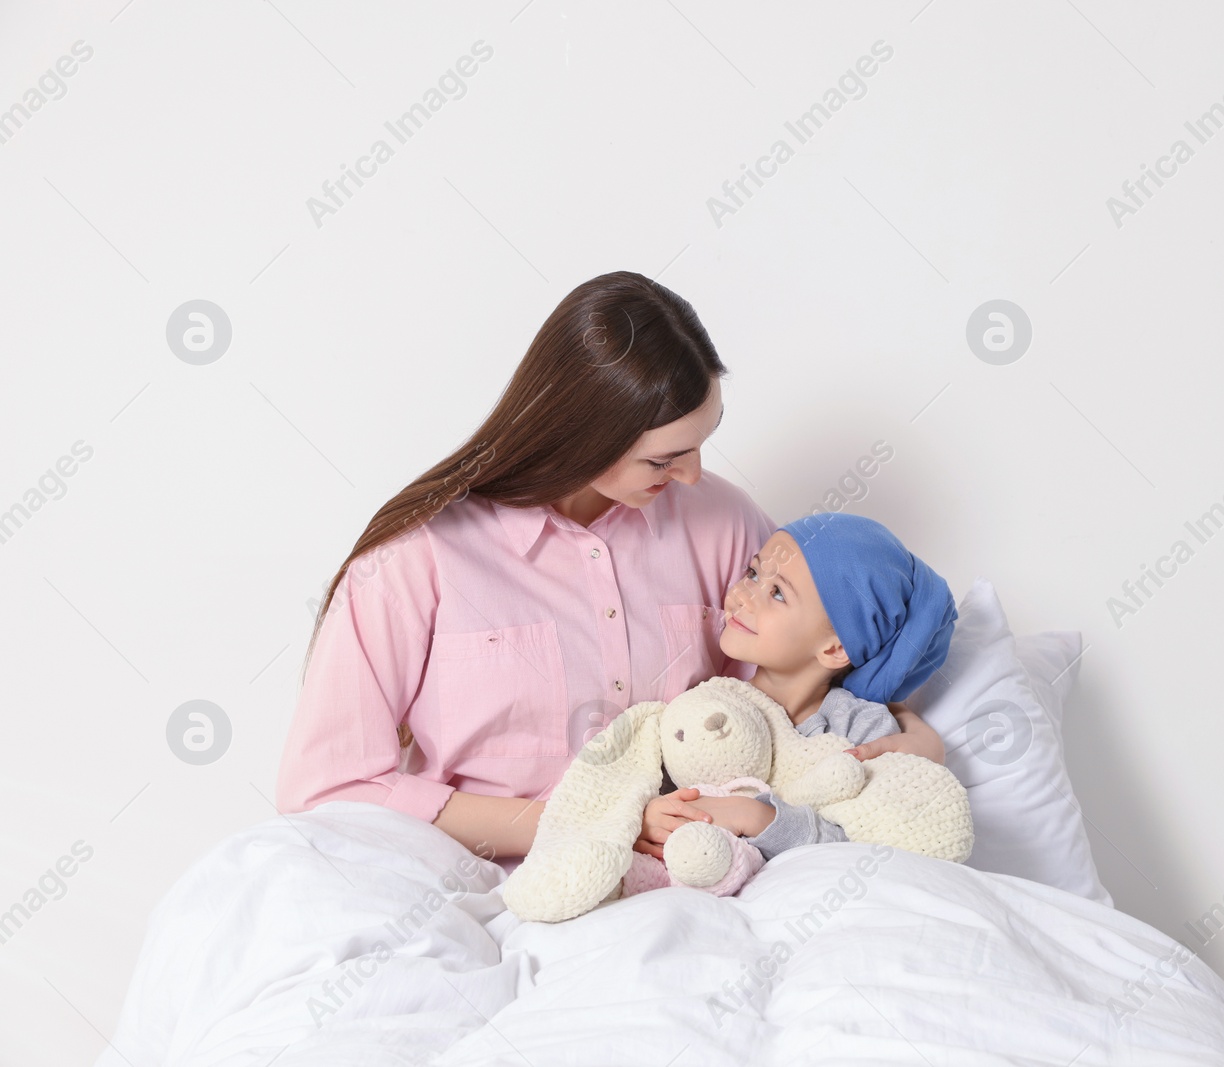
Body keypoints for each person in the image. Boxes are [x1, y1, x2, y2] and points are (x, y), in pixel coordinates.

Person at [275, 271, 801, 867]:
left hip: (694, 874)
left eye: (705, 439)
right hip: (483, 885)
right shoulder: (417, 557)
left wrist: (900, 732)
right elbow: (327, 791)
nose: (691, 474)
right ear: (582, 436)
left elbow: (797, 696)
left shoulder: (726, 523)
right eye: (664, 458)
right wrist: (601, 823)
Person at [636, 512, 957, 861]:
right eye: (753, 573)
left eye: (776, 594)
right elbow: (653, 792)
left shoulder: (862, 732)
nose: (743, 596)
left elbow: (869, 844)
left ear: (835, 648)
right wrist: (650, 816)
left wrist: (757, 817)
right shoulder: (709, 704)